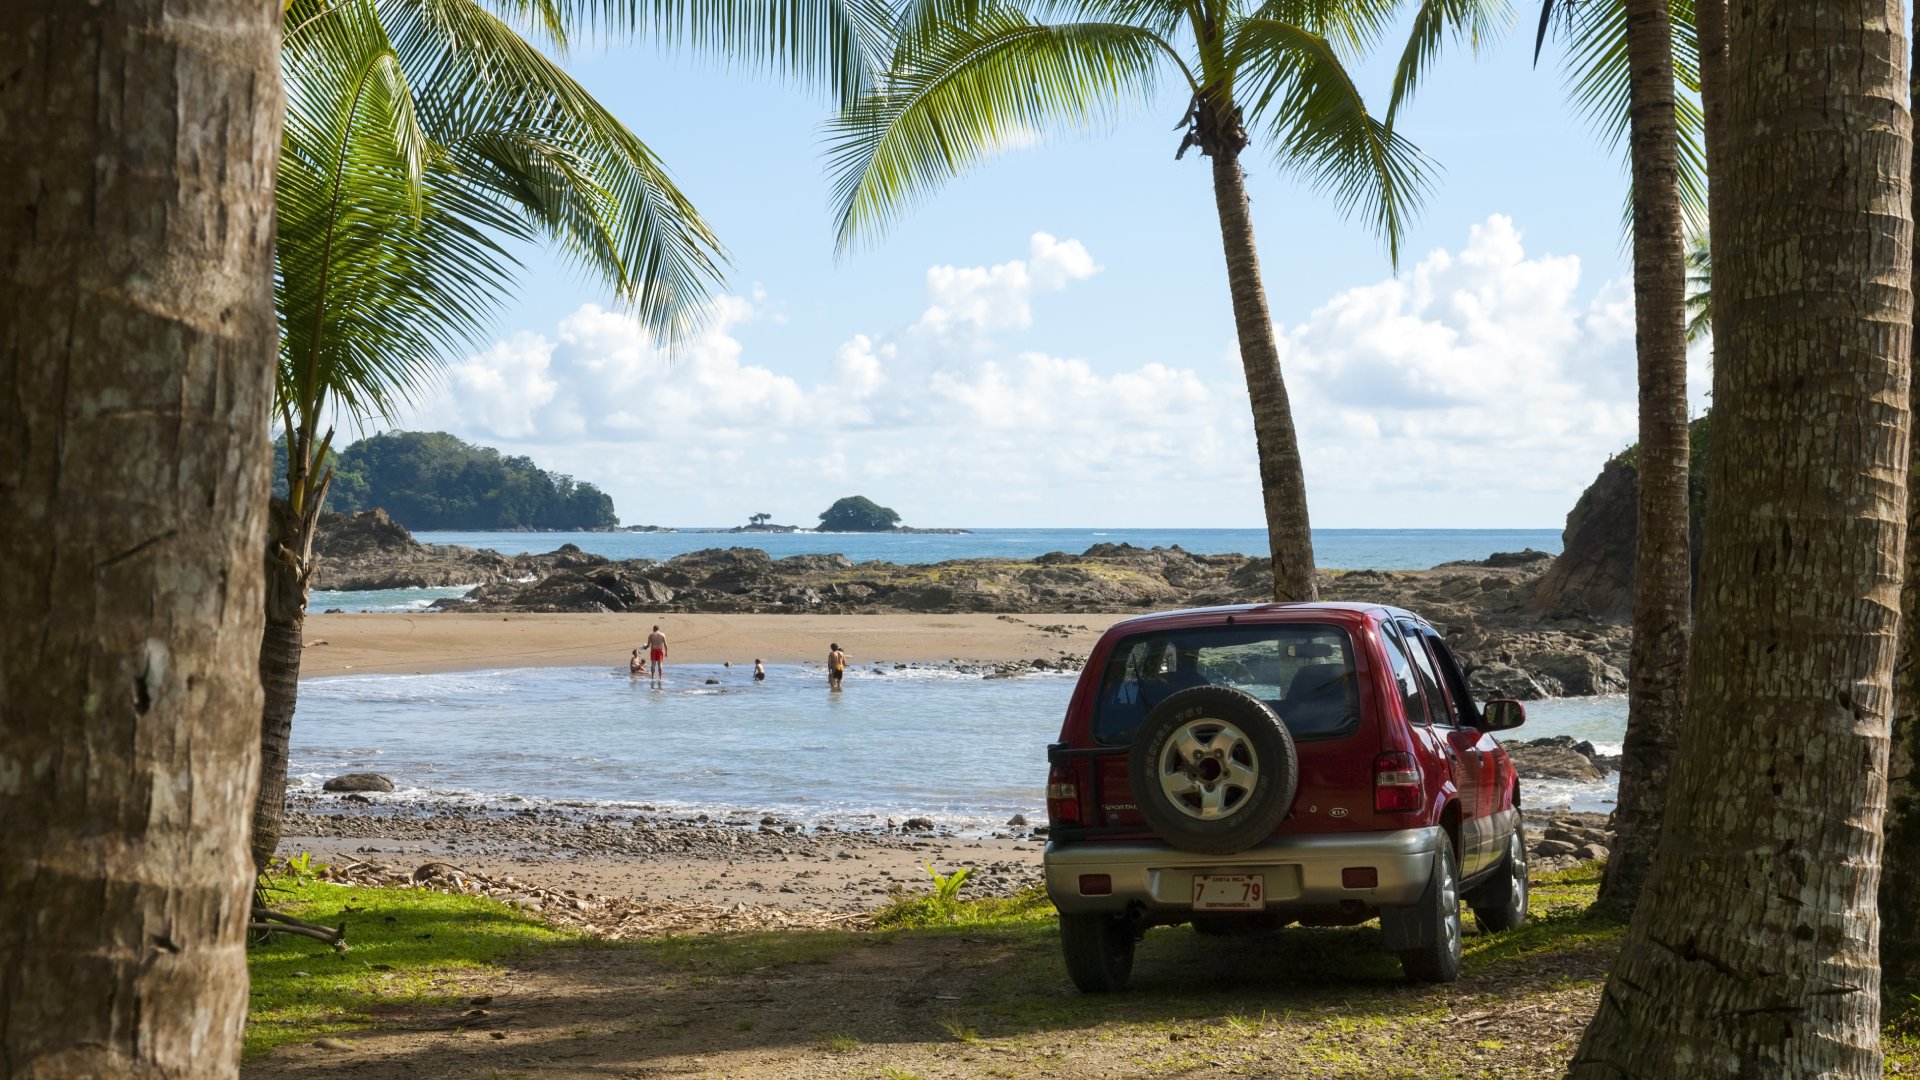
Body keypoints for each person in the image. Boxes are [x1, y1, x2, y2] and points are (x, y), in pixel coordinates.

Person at [646, 624, 668, 689]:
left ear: (653, 629)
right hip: (659, 650)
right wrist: (666, 652)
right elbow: (665, 644)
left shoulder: (651, 635)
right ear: (658, 629)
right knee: (660, 664)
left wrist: (644, 647)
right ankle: (660, 678)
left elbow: (648, 645)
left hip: (653, 650)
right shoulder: (662, 635)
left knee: (653, 664)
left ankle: (652, 677)